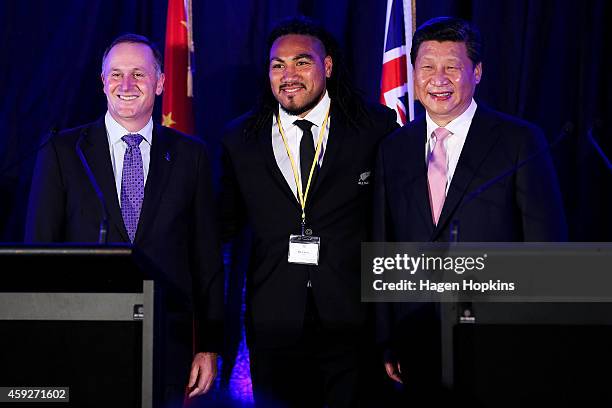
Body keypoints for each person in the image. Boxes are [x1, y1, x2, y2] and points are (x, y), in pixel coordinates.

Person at [373, 16, 567, 403]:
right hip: (417, 338)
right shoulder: (392, 148)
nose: (438, 79)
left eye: (452, 67)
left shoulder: (519, 140)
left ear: (476, 72)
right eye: (427, 67)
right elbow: (385, 244)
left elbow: (547, 247)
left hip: (498, 339)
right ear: (413, 73)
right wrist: (386, 337)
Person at [25, 34, 223, 407]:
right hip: (83, 342)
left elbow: (206, 260)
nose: (126, 85)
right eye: (116, 75)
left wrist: (209, 346)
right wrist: (43, 340)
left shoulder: (191, 156)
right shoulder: (64, 152)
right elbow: (41, 255)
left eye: (139, 74)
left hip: (166, 344)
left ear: (161, 82)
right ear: (103, 83)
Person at [220, 17, 398, 408]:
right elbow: (223, 227)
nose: (289, 75)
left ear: (327, 66)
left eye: (301, 62)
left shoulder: (374, 127)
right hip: (274, 322)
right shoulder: (239, 138)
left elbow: (394, 224)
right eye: (277, 65)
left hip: (354, 320)